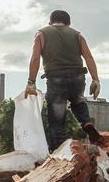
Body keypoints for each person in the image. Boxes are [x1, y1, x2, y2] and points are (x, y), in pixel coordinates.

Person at [25, 10, 101, 150]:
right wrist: (95, 80)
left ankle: (59, 153)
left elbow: (35, 58)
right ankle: (86, 122)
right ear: (68, 23)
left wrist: (31, 82)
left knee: (57, 122)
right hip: (78, 77)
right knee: (78, 101)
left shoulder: (41, 34)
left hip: (56, 79)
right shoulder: (77, 35)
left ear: (50, 22)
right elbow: (89, 57)